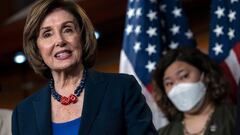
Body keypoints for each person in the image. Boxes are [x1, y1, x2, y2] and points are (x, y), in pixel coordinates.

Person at [11, 0, 157, 134]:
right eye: (47, 34)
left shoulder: (122, 88)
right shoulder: (23, 113)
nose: (60, 41)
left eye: (67, 29)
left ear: (81, 36)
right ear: (36, 47)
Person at [152, 46, 236, 135]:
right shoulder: (163, 133)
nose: (177, 87)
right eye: (169, 83)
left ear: (206, 76)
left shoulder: (234, 117)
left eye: (184, 76)